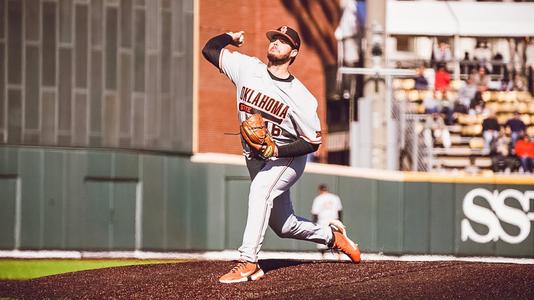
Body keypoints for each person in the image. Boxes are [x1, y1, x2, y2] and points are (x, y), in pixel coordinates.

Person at [202, 26, 361, 284]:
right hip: (255, 157)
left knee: (260, 191)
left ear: (293, 53)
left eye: (283, 41)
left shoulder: (302, 97)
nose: (276, 42)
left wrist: (277, 149)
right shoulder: (247, 68)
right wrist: (230, 38)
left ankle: (249, 262)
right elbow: (209, 50)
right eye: (274, 38)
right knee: (284, 226)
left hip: (287, 158)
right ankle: (332, 237)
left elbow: (312, 142)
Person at [311, 184, 343, 258]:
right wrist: (340, 222)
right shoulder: (335, 197)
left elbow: (315, 213)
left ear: (320, 190)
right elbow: (339, 211)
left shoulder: (318, 199)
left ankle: (322, 257)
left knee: (322, 241)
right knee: (336, 239)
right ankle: (339, 257)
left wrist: (314, 224)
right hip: (334, 221)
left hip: (322, 222)